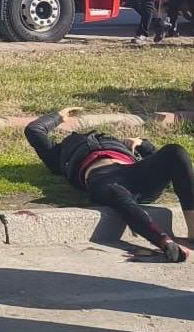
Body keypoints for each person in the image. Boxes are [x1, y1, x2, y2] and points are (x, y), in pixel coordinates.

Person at [25, 107, 194, 262]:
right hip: (101, 178)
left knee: (175, 152)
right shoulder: (56, 153)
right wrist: (58, 116)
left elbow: (164, 162)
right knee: (119, 195)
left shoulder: (120, 144)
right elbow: (34, 130)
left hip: (133, 173)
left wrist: (142, 144)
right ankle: (165, 242)